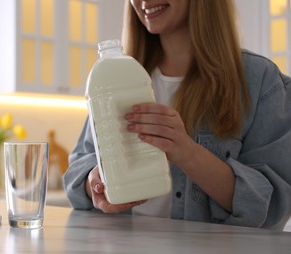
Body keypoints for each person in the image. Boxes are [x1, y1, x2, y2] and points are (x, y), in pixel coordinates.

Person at [63, 0, 291, 230]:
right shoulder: (117, 78)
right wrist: (95, 182)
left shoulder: (259, 80)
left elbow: (275, 206)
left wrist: (187, 152)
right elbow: (76, 172)